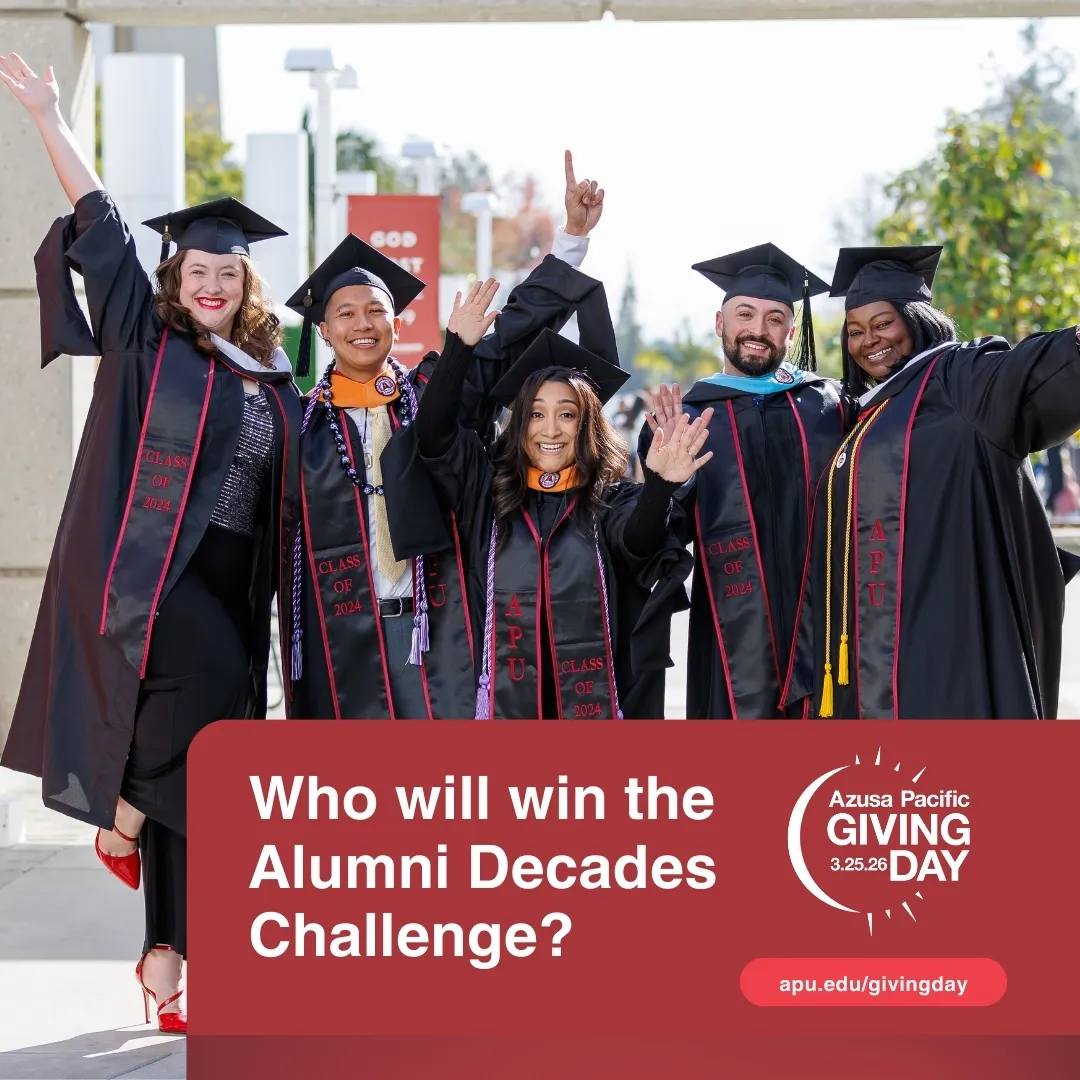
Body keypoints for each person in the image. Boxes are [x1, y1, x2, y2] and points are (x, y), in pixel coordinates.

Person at [0, 52, 303, 1032]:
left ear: (246, 282)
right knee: (212, 705)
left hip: (233, 584)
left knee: (213, 768)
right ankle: (123, 811)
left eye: (228, 272)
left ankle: (171, 962)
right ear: (180, 278)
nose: (212, 283)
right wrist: (52, 118)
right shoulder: (147, 338)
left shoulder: (267, 372)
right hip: (150, 581)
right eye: (199, 270)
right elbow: (103, 227)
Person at [282, 151, 612, 719]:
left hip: (439, 630)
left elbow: (507, 334)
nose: (362, 324)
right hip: (340, 639)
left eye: (375, 311)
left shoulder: (435, 392)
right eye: (345, 314)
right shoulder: (297, 423)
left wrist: (572, 240)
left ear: (398, 322)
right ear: (324, 329)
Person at [782, 245, 1080, 719]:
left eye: (883, 324)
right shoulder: (866, 413)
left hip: (952, 632)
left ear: (916, 318)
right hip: (876, 644)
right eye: (855, 332)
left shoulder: (960, 377)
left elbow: (1030, 372)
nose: (868, 341)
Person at [416, 302, 712, 720]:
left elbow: (638, 540)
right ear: (520, 423)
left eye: (567, 415)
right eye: (536, 413)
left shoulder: (608, 500)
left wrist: (660, 485)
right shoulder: (486, 496)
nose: (550, 430)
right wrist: (459, 349)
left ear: (587, 425)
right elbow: (432, 436)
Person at [642, 244, 847, 718]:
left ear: (791, 332)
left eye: (775, 319)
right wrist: (660, 484)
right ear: (720, 323)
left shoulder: (829, 408)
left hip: (824, 632)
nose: (758, 330)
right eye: (745, 314)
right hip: (729, 640)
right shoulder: (684, 422)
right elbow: (651, 543)